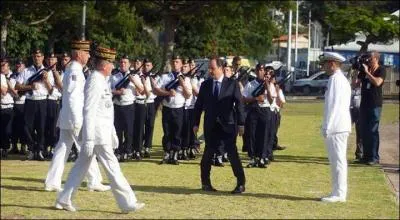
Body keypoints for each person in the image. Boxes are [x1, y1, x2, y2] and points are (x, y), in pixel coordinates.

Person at [55, 46, 145, 213]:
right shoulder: (95, 81)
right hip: (95, 135)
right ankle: (127, 202)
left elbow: (106, 110)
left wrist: (112, 133)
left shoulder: (101, 80)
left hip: (101, 133)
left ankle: (64, 199)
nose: (113, 66)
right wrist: (88, 139)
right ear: (105, 65)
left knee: (81, 167)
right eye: (111, 63)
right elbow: (88, 110)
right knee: (113, 168)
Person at [45, 40, 110, 192]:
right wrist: (77, 120)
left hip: (68, 116)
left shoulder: (74, 69)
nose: (88, 56)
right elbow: (74, 97)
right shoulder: (75, 70)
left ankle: (52, 182)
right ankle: (94, 180)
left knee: (62, 148)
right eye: (86, 53)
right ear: (79, 54)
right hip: (75, 117)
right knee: (86, 148)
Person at [193, 57, 246, 194]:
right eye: (209, 68)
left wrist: (241, 123)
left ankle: (240, 183)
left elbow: (239, 104)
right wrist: (195, 123)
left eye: (213, 68)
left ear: (221, 68)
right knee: (207, 155)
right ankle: (205, 183)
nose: (210, 71)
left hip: (228, 125)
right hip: (211, 125)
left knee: (233, 154)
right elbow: (198, 106)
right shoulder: (205, 85)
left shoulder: (232, 84)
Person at [319, 52, 351, 203]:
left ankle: (339, 194)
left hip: (336, 126)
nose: (323, 67)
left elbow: (333, 105)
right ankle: (337, 191)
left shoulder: (335, 79)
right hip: (339, 125)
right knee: (337, 161)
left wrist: (327, 126)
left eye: (325, 64)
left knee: (338, 161)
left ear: (332, 63)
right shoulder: (340, 79)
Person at [151, 55, 192, 165]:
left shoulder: (186, 78)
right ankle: (167, 153)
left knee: (177, 132)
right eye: (173, 62)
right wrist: (168, 93)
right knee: (167, 131)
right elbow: (156, 90)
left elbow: (188, 95)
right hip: (167, 108)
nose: (175, 64)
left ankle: (175, 154)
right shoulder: (165, 77)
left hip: (179, 109)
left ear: (181, 64)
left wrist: (182, 83)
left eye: (177, 62)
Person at [15, 49, 54, 161]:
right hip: (30, 101)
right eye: (35, 56)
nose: (37, 58)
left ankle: (40, 150)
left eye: (39, 56)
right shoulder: (26, 71)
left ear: (43, 57)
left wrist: (46, 80)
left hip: (42, 101)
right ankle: (31, 149)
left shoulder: (47, 72)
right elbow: (17, 87)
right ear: (33, 57)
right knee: (28, 127)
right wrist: (30, 87)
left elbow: (51, 91)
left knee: (41, 127)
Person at [110, 55, 142, 162]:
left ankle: (127, 151)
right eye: (122, 62)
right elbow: (108, 90)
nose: (123, 64)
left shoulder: (134, 76)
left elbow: (141, 90)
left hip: (129, 106)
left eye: (125, 62)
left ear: (129, 64)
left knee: (129, 130)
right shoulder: (114, 76)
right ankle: (118, 151)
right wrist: (117, 92)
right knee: (118, 130)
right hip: (117, 106)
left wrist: (133, 81)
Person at [242, 64, 273, 168]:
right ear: (256, 71)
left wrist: (267, 86)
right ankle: (252, 157)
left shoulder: (268, 84)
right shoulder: (250, 84)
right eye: (259, 70)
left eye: (263, 70)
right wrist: (255, 99)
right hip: (253, 110)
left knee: (264, 135)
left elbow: (271, 100)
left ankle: (262, 157)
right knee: (252, 134)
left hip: (265, 110)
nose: (261, 72)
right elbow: (244, 99)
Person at [358, 51, 386, 165]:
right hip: (364, 104)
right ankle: (366, 156)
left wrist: (367, 73)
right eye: (367, 58)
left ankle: (374, 157)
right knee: (364, 131)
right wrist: (358, 70)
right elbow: (355, 84)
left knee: (373, 131)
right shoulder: (365, 69)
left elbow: (377, 82)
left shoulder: (381, 70)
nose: (368, 60)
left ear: (376, 59)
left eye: (370, 58)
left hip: (375, 104)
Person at [44, 52, 63, 159]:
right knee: (45, 126)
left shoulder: (59, 72)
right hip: (44, 100)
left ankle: (52, 147)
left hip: (54, 101)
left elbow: (59, 89)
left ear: (56, 61)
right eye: (49, 60)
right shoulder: (43, 71)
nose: (51, 61)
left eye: (53, 59)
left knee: (53, 127)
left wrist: (47, 82)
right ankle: (45, 147)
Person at [1, 58, 18, 159]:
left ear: (8, 67)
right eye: (1, 65)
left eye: (4, 65)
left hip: (8, 105)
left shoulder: (13, 76)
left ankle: (6, 148)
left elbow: (9, 91)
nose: (2, 67)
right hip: (1, 105)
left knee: (7, 130)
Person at [10, 58, 27, 155]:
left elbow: (26, 87)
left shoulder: (27, 75)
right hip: (14, 103)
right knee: (14, 126)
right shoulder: (13, 76)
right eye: (17, 64)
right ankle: (14, 146)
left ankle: (24, 146)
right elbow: (13, 89)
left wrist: (21, 89)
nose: (18, 66)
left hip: (24, 103)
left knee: (24, 127)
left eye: (20, 65)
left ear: (24, 66)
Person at [142, 58, 157, 158]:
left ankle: (147, 147)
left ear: (151, 66)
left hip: (151, 103)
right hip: (142, 103)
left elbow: (157, 89)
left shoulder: (155, 77)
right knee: (140, 127)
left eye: (148, 65)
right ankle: (139, 147)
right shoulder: (139, 76)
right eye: (145, 65)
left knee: (150, 126)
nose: (146, 67)